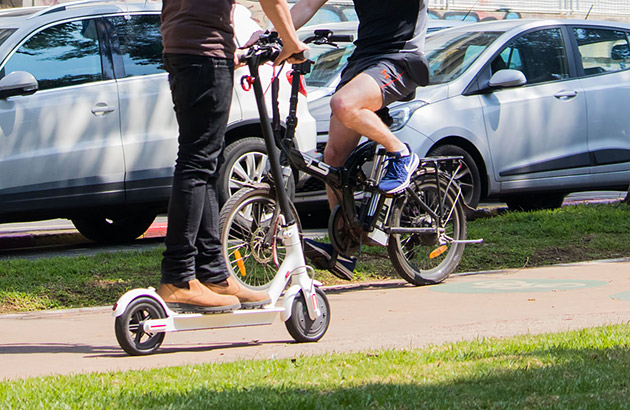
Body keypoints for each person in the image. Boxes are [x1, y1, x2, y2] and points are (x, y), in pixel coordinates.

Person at [157, 0, 308, 313]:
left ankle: (213, 274)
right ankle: (178, 278)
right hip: (204, 55)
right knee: (196, 165)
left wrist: (232, 53)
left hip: (181, 50)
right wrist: (292, 43)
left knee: (205, 167)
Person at [290, 0, 430, 280]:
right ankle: (344, 247)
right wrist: (271, 33)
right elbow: (305, 5)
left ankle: (400, 153)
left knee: (343, 103)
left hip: (400, 58)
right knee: (333, 159)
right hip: (363, 61)